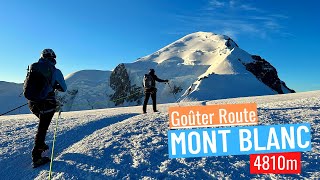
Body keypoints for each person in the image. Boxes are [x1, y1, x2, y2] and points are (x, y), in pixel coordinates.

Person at [27, 49, 67, 166]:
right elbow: (64, 88)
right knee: (43, 128)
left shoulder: (33, 67)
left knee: (42, 125)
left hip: (32, 103)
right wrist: (55, 85)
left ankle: (41, 144)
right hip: (47, 103)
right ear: (53, 58)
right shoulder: (55, 71)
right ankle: (37, 156)